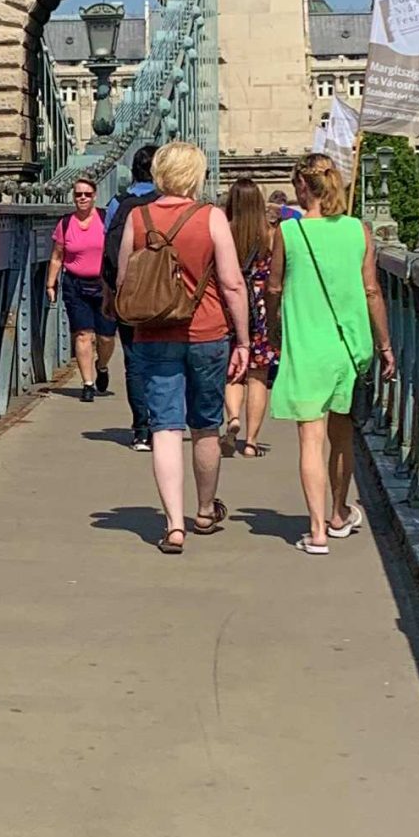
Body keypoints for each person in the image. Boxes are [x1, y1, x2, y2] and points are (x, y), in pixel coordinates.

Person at [116, 140, 251, 554]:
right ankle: (206, 510)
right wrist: (243, 339)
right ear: (197, 175)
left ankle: (174, 525)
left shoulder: (137, 218)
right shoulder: (211, 217)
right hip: (207, 332)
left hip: (155, 334)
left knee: (165, 428)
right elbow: (231, 283)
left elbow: (124, 282)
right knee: (205, 425)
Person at [272, 156, 394, 554]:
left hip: (306, 345)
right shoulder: (359, 231)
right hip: (348, 348)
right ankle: (339, 513)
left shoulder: (288, 233)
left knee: (311, 440)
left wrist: (274, 332)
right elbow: (372, 290)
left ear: (304, 188)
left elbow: (273, 288)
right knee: (342, 439)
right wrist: (385, 345)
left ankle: (317, 531)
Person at [99, 143, 160, 450]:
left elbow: (107, 251)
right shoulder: (170, 204)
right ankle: (165, 424)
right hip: (165, 296)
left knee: (135, 362)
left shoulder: (118, 203)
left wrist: (109, 293)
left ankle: (142, 429)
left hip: (129, 294)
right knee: (164, 358)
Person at [221, 177, 281, 457]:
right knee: (258, 375)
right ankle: (251, 441)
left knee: (233, 370)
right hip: (260, 308)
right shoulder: (270, 234)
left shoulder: (223, 231)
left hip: (229, 305)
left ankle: (233, 418)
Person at [44, 175, 115, 400]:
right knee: (83, 335)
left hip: (103, 285)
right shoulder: (65, 224)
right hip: (75, 283)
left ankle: (102, 366)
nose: (82, 198)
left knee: (105, 337)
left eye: (87, 194)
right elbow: (57, 256)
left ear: (94, 197)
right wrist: (50, 283)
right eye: (78, 194)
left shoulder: (106, 220)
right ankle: (87, 383)